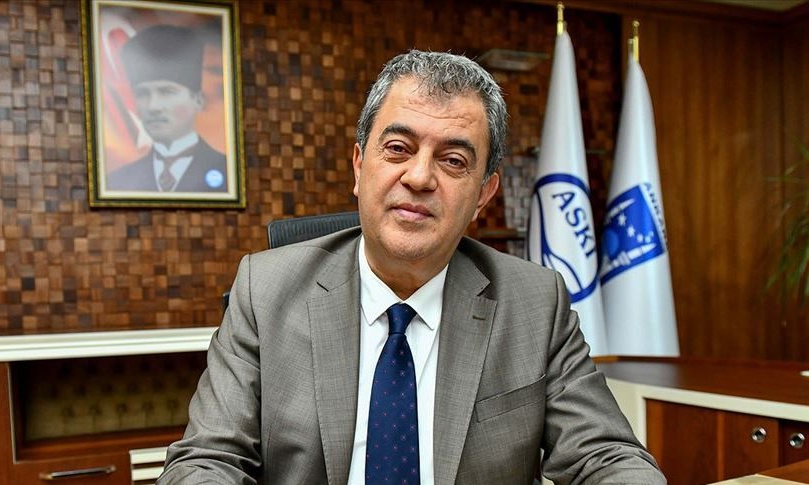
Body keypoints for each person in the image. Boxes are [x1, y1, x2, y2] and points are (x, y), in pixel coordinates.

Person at [158, 50, 666, 484]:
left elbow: (606, 455)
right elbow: (208, 459)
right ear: (360, 166)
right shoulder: (265, 290)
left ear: (484, 194)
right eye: (398, 149)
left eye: (453, 161)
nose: (419, 177)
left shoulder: (535, 303)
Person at [106, 25, 228, 193]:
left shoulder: (229, 173)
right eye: (142, 94)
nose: (153, 106)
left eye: (167, 92)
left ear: (198, 100)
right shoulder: (117, 181)